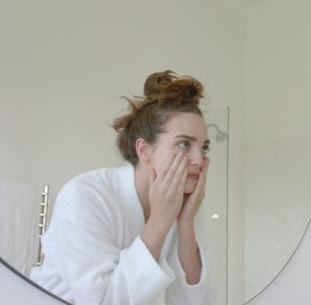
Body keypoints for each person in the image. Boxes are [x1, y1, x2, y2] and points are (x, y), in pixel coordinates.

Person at [30, 70, 215, 305]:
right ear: (144, 150)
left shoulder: (185, 207)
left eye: (204, 148)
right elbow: (103, 301)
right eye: (183, 144)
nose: (199, 159)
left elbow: (199, 303)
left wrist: (186, 223)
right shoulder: (85, 195)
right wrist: (160, 219)